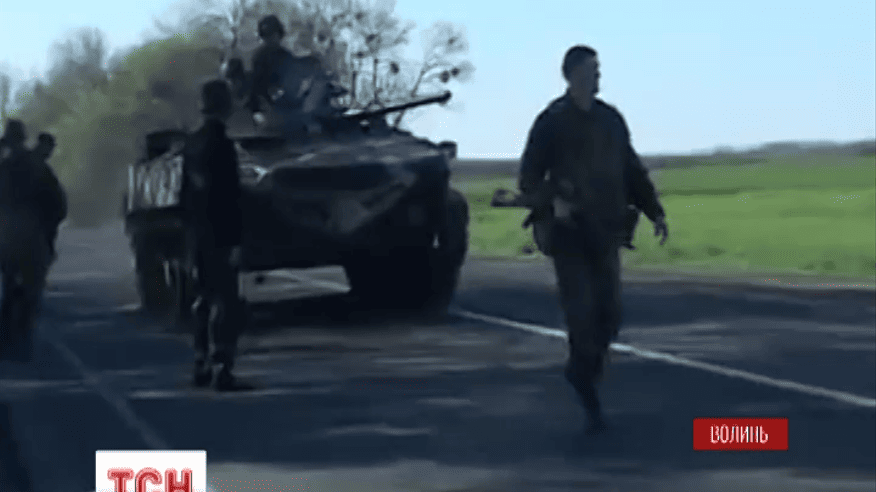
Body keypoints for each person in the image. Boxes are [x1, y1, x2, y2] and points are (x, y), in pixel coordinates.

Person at [518, 45, 669, 434]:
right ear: (571, 75)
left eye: (598, 70)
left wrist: (654, 210)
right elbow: (529, 177)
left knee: (610, 315)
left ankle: (583, 371)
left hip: (606, 231)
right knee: (581, 315)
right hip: (569, 235)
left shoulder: (610, 120)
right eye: (590, 71)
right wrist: (554, 201)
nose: (597, 77)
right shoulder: (551, 121)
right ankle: (587, 392)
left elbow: (631, 168)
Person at [180, 79, 247, 391]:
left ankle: (200, 362)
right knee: (226, 302)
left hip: (197, 233)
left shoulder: (191, 144)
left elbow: (185, 195)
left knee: (202, 300)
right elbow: (231, 197)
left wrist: (188, 235)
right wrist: (236, 240)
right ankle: (222, 367)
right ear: (225, 106)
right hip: (220, 233)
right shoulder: (223, 144)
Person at [0, 120, 53, 364]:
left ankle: (8, 340)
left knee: (10, 286)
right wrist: (48, 231)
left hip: (8, 234)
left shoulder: (3, 167)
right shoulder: (37, 166)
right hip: (31, 233)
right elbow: (57, 204)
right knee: (31, 289)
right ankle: (21, 339)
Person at [247, 15, 330, 131]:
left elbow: (296, 71)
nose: (270, 39)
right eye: (267, 36)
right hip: (275, 105)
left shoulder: (281, 55)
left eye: (272, 35)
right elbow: (256, 87)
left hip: (282, 102)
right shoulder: (261, 57)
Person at [29, 133, 68, 261]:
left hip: (42, 228)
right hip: (36, 228)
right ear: (43, 145)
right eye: (50, 147)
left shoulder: (41, 166)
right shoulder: (34, 165)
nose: (51, 151)